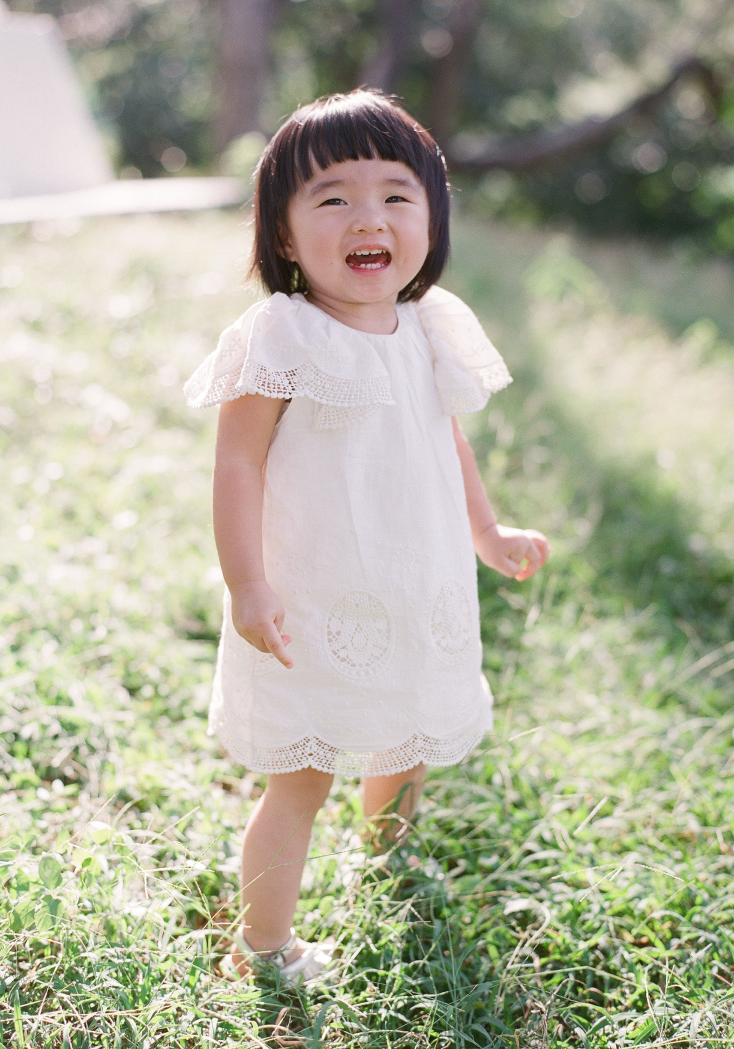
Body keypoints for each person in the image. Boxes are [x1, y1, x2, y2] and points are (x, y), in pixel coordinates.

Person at [184, 89, 550, 983]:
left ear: (431, 218)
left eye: (395, 195)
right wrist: (247, 583)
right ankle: (264, 945)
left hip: (415, 583)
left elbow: (445, 440)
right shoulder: (282, 335)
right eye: (333, 198)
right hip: (315, 599)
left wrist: (487, 528)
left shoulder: (429, 325)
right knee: (303, 773)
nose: (368, 218)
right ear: (282, 234)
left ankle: (387, 852)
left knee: (411, 729)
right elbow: (238, 464)